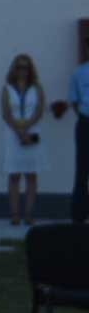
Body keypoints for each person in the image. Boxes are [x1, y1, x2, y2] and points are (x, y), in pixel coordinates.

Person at [2, 54, 47, 225]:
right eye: (20, 67)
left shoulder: (37, 88)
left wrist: (26, 128)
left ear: (31, 69)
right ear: (14, 69)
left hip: (32, 132)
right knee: (14, 175)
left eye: (26, 67)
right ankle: (15, 214)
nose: (23, 71)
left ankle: (28, 214)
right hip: (13, 135)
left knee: (31, 175)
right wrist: (19, 131)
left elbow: (39, 110)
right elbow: (6, 113)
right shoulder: (7, 88)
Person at [67, 33, 89, 224]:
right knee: (82, 170)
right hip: (86, 123)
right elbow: (74, 101)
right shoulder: (79, 73)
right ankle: (79, 215)